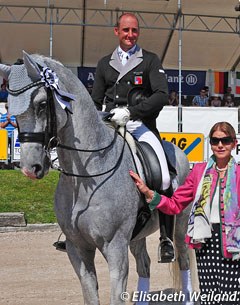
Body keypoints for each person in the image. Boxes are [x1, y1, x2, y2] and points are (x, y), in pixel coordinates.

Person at [91, 12, 174, 262]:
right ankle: (74, 230)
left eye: (134, 31)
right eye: (125, 30)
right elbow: (95, 101)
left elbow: (161, 94)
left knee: (163, 174)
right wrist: (101, 118)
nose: (130, 35)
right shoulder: (105, 63)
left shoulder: (149, 60)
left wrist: (131, 112)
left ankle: (166, 238)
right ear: (117, 32)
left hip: (140, 125)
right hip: (110, 125)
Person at [130, 121, 240, 305]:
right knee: (209, 299)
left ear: (234, 143)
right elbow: (175, 204)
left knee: (230, 299)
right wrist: (149, 193)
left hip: (233, 244)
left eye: (225, 140)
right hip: (205, 243)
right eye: (215, 141)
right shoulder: (198, 172)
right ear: (210, 143)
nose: (220, 145)